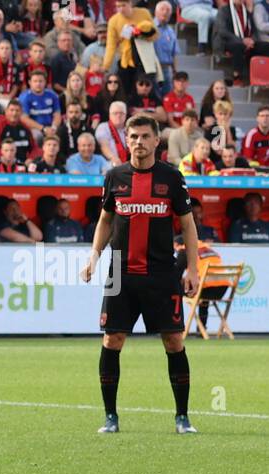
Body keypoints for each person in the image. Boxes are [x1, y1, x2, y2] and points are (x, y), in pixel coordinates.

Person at [81, 114, 200, 435]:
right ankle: (110, 417)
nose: (138, 142)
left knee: (174, 341)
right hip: (121, 273)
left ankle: (182, 417)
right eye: (133, 136)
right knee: (112, 339)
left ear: (157, 141)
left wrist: (192, 267)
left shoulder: (173, 178)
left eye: (145, 136)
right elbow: (105, 220)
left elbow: (188, 225)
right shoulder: (115, 176)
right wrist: (94, 256)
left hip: (162, 274)